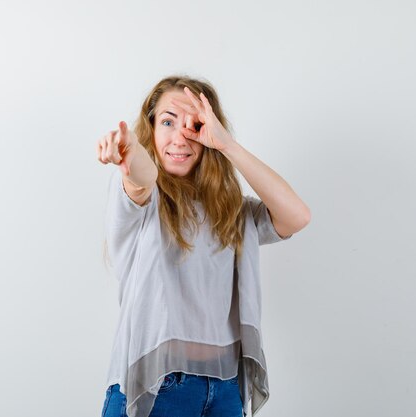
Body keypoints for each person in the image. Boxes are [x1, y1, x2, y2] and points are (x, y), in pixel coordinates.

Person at [96, 76, 311, 417]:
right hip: (157, 386)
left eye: (194, 124)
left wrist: (229, 146)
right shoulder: (144, 201)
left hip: (223, 389)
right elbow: (141, 177)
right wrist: (130, 151)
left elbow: (297, 216)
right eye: (167, 122)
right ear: (149, 128)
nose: (180, 136)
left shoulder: (233, 211)